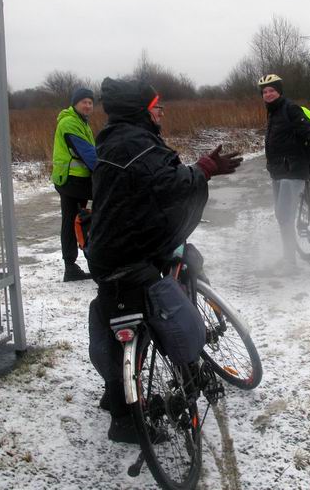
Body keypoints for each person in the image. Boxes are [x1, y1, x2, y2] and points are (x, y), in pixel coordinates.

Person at [87, 77, 242, 443]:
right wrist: (205, 168)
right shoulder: (139, 143)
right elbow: (174, 184)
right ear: (142, 110)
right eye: (157, 106)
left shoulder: (113, 139)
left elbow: (149, 182)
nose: (161, 111)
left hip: (105, 250)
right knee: (161, 311)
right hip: (133, 250)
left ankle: (116, 395)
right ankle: (136, 411)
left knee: (116, 318)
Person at [258, 73, 310, 269]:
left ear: (279, 91)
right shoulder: (272, 111)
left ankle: (289, 262)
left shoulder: (291, 109)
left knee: (284, 216)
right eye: (265, 92)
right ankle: (289, 256)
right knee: (282, 216)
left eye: (272, 90)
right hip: (278, 171)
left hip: (293, 171)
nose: (268, 94)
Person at [50, 87, 97, 282]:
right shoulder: (70, 123)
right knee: (80, 218)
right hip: (72, 180)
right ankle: (88, 261)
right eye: (84, 102)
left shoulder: (81, 122)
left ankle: (72, 266)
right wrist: (108, 173)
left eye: (90, 102)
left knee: (73, 220)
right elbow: (88, 153)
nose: (87, 105)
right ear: (75, 103)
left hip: (74, 179)